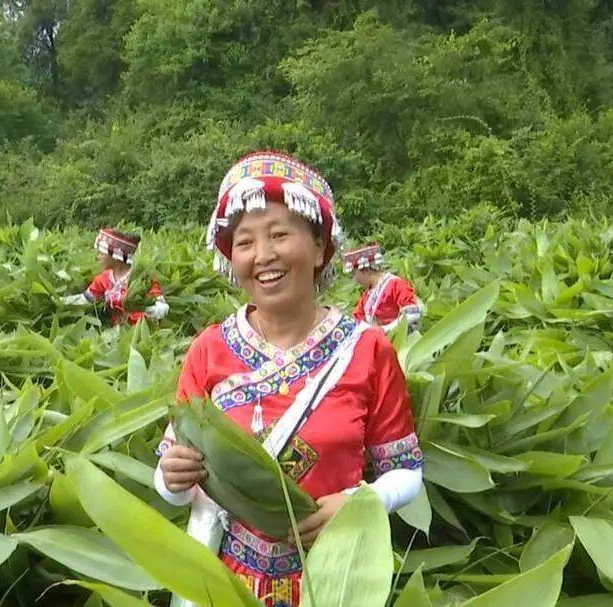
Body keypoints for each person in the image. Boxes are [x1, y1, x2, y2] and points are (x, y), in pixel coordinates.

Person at [153, 152, 423, 607]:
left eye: (280, 234)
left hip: (334, 577)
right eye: (245, 242)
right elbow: (172, 484)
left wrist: (362, 503)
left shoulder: (367, 349)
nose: (263, 255)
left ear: (319, 247)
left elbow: (407, 470)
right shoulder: (209, 350)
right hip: (226, 583)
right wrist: (171, 476)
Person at [62, 228, 169, 325]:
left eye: (102, 254)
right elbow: (85, 299)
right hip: (117, 332)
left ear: (116, 256)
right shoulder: (104, 279)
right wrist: (59, 301)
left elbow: (162, 308)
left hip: (141, 332)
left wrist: (145, 309)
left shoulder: (141, 279)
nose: (98, 257)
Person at [343, 244, 423, 333]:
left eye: (355, 274)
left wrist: (386, 329)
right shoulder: (366, 297)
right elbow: (357, 322)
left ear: (366, 270)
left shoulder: (395, 284)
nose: (355, 279)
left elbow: (413, 314)